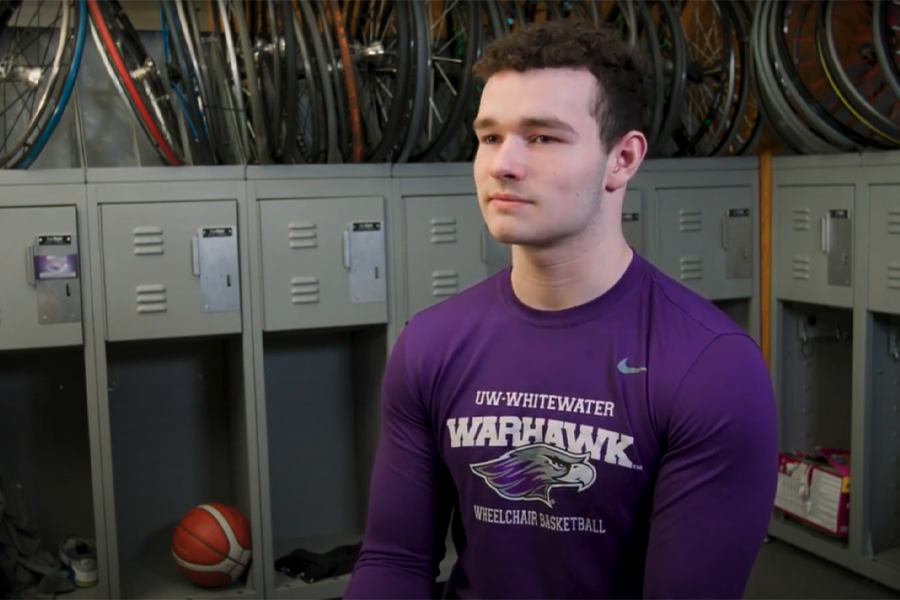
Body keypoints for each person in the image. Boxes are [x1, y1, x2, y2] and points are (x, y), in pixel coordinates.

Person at [343, 18, 778, 600]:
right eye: (490, 137)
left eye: (542, 137)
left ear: (622, 159)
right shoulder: (431, 344)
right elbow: (394, 562)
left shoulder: (712, 368)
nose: (503, 164)